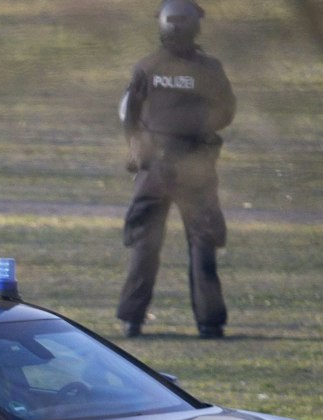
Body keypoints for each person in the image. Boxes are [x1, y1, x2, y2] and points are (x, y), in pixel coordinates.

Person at [117, 0, 235, 339]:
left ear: (163, 25)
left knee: (144, 242)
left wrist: (137, 147)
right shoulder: (211, 69)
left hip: (154, 167)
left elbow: (129, 113)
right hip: (196, 166)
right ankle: (210, 323)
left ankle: (132, 320)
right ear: (196, 25)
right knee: (203, 242)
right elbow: (227, 112)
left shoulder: (147, 66)